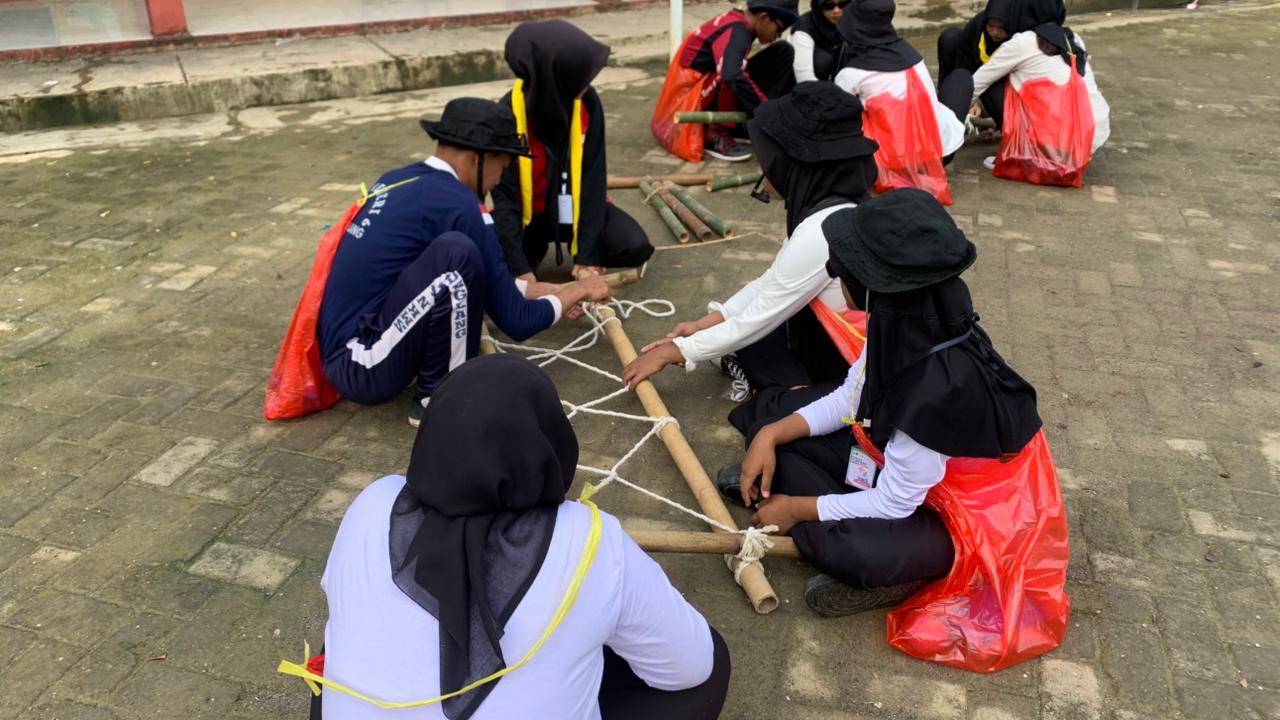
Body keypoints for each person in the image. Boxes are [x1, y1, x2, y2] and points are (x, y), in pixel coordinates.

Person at [312, 354, 731, 719]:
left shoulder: (373, 503)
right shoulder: (591, 540)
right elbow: (690, 667)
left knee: (334, 661)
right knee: (710, 660)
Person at [718, 189, 1046, 617]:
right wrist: (771, 433)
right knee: (777, 437)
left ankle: (881, 570)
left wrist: (797, 509)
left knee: (859, 550)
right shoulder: (904, 324)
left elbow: (896, 502)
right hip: (901, 474)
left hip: (955, 515)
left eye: (844, 271)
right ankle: (798, 507)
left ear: (874, 286)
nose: (836, 278)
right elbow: (849, 398)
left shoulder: (936, 389)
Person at [317, 98, 612, 427]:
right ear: (477, 158)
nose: (499, 180)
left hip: (343, 354)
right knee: (458, 255)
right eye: (503, 165)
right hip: (363, 366)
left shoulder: (400, 178)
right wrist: (579, 290)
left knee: (458, 257)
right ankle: (438, 397)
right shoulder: (460, 205)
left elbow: (486, 283)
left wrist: (542, 289)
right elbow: (518, 321)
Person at [623, 82, 878, 398]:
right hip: (833, 338)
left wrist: (677, 351)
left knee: (765, 375)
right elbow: (772, 282)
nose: (761, 168)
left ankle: (799, 391)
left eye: (766, 160)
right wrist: (705, 324)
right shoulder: (836, 204)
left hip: (856, 357)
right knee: (746, 335)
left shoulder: (822, 231)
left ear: (792, 165)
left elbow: (760, 316)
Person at [491, 21, 654, 283]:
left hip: (573, 209)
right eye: (580, 75)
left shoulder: (587, 102)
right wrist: (521, 271)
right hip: (528, 218)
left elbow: (593, 180)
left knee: (633, 246)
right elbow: (504, 200)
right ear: (554, 78)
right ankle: (533, 250)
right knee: (494, 258)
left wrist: (587, 256)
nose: (587, 82)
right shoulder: (507, 114)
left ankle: (579, 249)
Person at [651, 0, 800, 162]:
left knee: (783, 52)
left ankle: (737, 127)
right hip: (687, 100)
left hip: (707, 85)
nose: (778, 35)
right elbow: (731, 75)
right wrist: (766, 112)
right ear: (763, 17)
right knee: (731, 73)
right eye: (779, 29)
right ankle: (713, 132)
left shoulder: (741, 22)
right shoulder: (738, 32)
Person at [835, 0, 969, 171]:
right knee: (961, 78)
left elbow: (838, 120)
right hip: (938, 155)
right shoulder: (912, 56)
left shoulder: (851, 74)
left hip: (885, 165)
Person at [970, 21, 1110, 171]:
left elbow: (977, 83)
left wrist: (957, 116)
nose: (995, 32)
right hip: (1089, 135)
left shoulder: (1023, 41)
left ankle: (1023, 154)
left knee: (994, 83)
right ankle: (1054, 156)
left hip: (1055, 136)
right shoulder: (1071, 37)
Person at [935, 0, 1066, 130]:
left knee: (990, 82)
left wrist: (962, 103)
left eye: (1000, 28)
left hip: (1012, 93)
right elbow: (964, 61)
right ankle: (946, 107)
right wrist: (967, 103)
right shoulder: (978, 25)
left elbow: (984, 79)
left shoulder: (1021, 39)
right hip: (981, 79)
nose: (994, 32)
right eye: (990, 26)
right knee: (950, 38)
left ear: (1012, 22)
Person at [792, 0, 848, 83]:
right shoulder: (803, 31)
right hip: (811, 87)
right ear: (819, 6)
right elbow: (804, 79)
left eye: (842, 4)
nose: (836, 11)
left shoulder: (852, 22)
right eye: (828, 6)